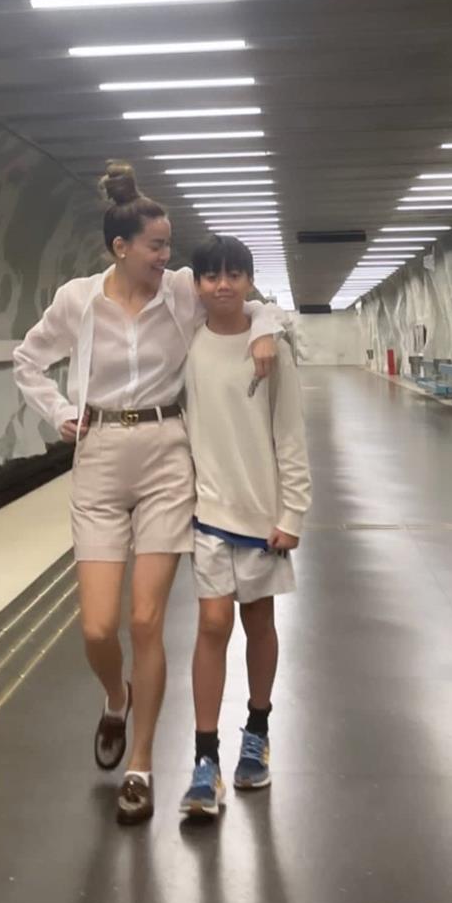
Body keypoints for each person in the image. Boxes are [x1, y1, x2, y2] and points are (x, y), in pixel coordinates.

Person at [13, 164, 283, 825]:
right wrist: (59, 412)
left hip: (166, 453)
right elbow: (27, 359)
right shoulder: (78, 300)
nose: (168, 256)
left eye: (168, 245)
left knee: (145, 622)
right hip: (100, 455)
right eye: (156, 246)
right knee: (97, 627)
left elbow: (251, 300)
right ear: (121, 248)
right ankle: (116, 696)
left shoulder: (183, 291)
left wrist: (265, 329)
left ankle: (140, 765)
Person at [179, 234, 311, 818]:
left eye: (235, 274)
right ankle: (205, 759)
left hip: (261, 515)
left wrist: (292, 513)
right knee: (212, 624)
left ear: (250, 281)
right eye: (211, 276)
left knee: (259, 620)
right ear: (197, 285)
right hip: (208, 512)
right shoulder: (188, 341)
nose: (223, 285)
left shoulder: (271, 350)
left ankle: (257, 730)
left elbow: (291, 433)